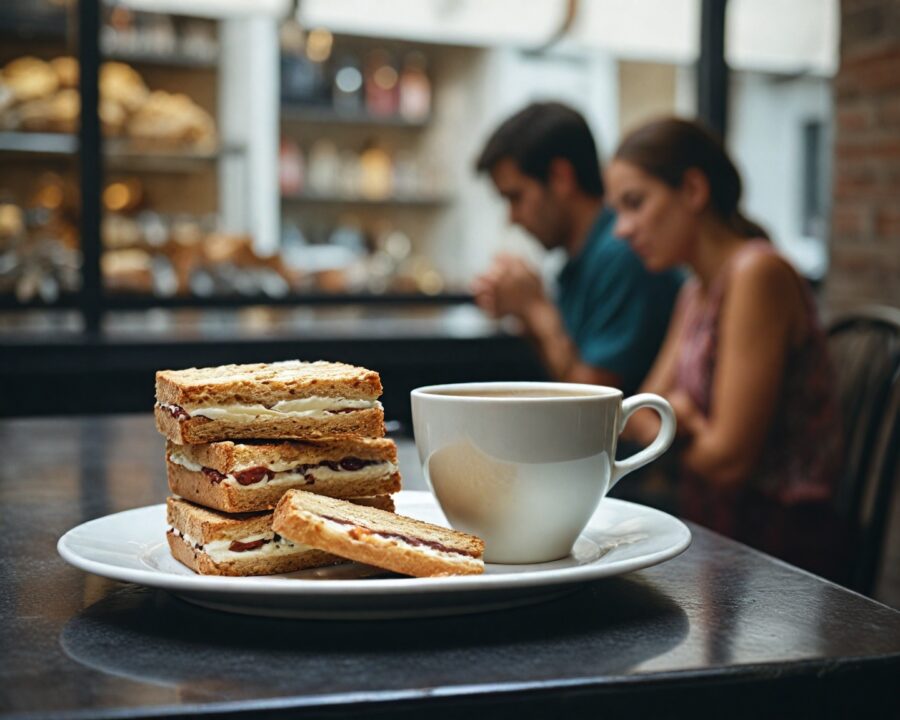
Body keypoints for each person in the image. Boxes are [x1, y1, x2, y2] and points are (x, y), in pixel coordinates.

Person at [605, 117, 848, 580]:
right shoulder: (695, 290)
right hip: (718, 536)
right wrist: (687, 421)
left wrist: (682, 418)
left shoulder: (759, 273)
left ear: (693, 190)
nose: (621, 229)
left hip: (780, 554)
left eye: (634, 203)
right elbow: (638, 420)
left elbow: (728, 462)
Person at [472, 102, 682, 394]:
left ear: (560, 177)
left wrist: (535, 308)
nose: (512, 217)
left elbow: (592, 406)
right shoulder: (578, 263)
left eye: (515, 197)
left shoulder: (624, 253)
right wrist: (523, 311)